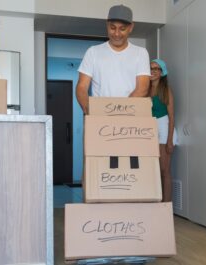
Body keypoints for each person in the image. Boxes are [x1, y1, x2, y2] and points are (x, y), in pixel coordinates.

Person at [75, 4, 151, 114]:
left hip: (130, 116)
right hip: (99, 116)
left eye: (122, 29)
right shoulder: (93, 52)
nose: (116, 33)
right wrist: (88, 109)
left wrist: (119, 113)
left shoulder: (141, 53)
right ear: (107, 25)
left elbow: (142, 88)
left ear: (131, 27)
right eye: (112, 28)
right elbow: (81, 87)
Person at [149, 59, 177, 202]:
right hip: (150, 130)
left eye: (156, 69)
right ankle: (157, 203)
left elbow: (172, 116)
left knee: (164, 170)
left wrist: (170, 140)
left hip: (164, 129)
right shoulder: (145, 89)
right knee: (153, 171)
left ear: (162, 72)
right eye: (151, 68)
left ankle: (166, 206)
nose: (153, 71)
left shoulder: (166, 90)